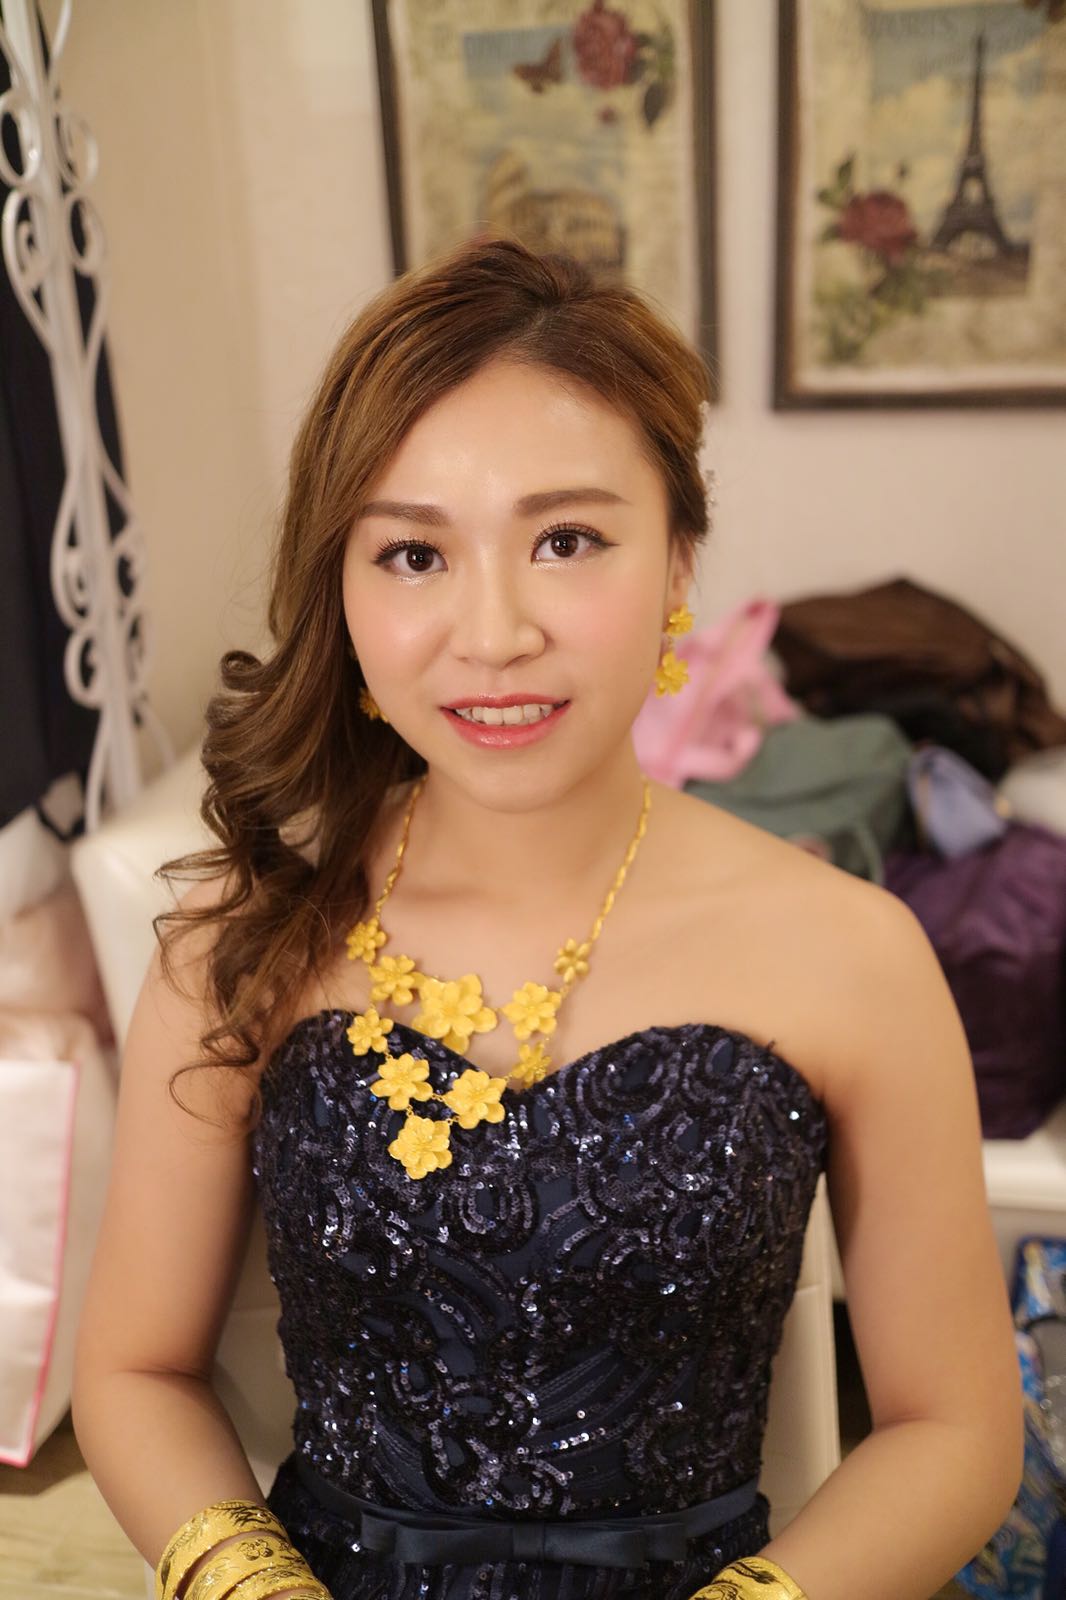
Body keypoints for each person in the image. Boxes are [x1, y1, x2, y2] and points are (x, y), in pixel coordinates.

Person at [72, 234, 1022, 1600]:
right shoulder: (244, 935)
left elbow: (953, 1431)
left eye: (566, 540)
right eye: (413, 553)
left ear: (679, 559)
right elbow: (134, 1368)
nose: (493, 631)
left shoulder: (852, 953)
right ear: (342, 589)